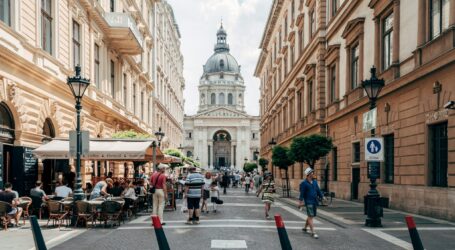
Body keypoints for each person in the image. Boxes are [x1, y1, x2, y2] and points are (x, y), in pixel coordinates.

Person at [299, 168, 324, 239]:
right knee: (310, 216)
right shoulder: (304, 183)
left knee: (311, 216)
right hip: (308, 202)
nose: (313, 173)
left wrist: (322, 197)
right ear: (308, 174)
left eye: (313, 172)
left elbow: (318, 191)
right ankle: (313, 232)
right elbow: (302, 194)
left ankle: (304, 228)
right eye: (312, 172)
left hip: (315, 201)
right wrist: (300, 202)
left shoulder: (315, 182)